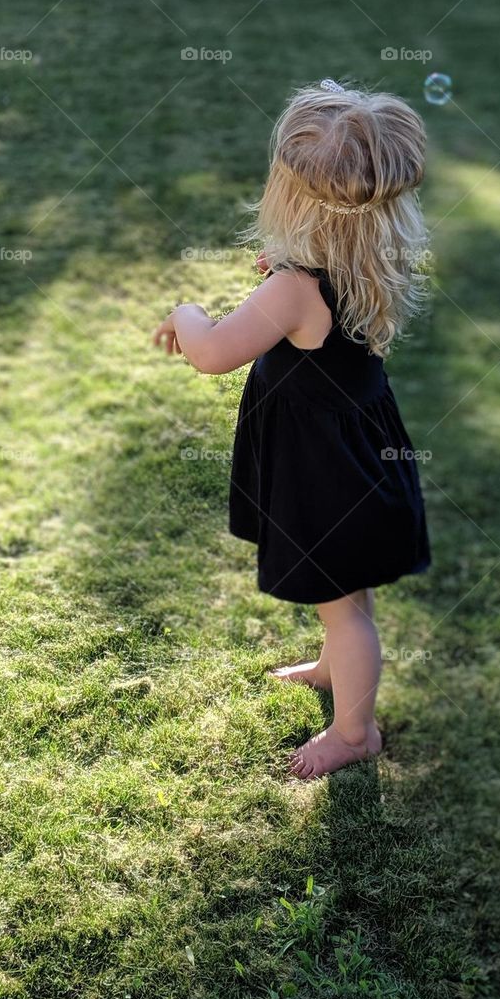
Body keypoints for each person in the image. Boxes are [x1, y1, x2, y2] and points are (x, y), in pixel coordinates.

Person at [153, 79, 431, 780]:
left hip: (323, 471)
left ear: (292, 196)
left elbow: (213, 352)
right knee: (349, 594)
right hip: (356, 452)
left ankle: (354, 734)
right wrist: (282, 270)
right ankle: (336, 670)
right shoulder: (363, 258)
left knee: (345, 609)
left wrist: (187, 310)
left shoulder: (293, 289)